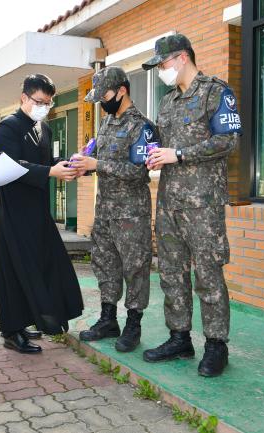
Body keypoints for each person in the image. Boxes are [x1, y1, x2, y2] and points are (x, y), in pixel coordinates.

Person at [142, 34, 241, 377]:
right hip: (169, 202)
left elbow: (228, 141)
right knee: (171, 273)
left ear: (182, 57)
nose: (161, 71)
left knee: (209, 274)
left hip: (203, 205)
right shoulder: (168, 102)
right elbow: (164, 147)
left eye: (164, 64)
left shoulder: (216, 92)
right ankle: (179, 337)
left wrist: (179, 154)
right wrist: (156, 158)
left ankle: (216, 345)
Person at [0, 74, 84, 354]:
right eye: (39, 101)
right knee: (13, 268)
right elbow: (13, 166)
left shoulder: (45, 129)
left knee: (43, 263)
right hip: (13, 208)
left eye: (48, 102)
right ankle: (11, 330)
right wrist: (49, 171)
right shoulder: (8, 127)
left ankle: (32, 318)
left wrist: (63, 166)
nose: (44, 106)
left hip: (38, 209)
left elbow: (45, 162)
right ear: (24, 98)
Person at [72, 66, 155, 353]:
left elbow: (140, 171)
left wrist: (99, 165)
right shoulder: (107, 123)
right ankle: (109, 318)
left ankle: (134, 323)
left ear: (122, 91)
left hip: (131, 213)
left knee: (135, 268)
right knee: (105, 265)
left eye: (105, 95)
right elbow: (95, 155)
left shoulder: (142, 126)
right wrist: (82, 161)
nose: (102, 103)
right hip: (105, 210)